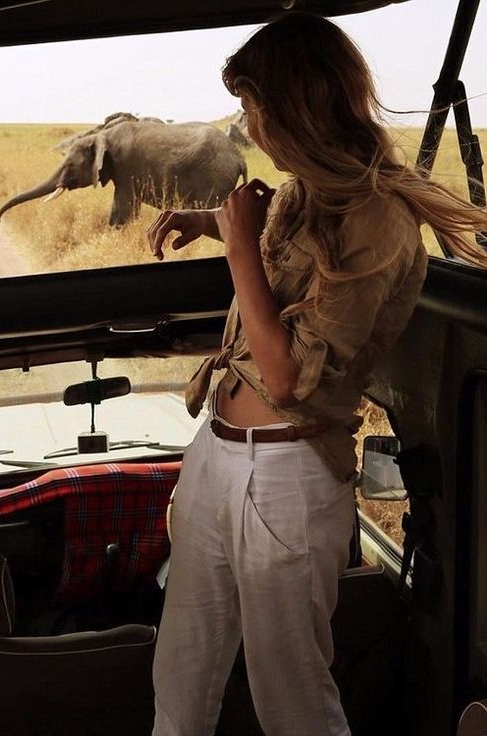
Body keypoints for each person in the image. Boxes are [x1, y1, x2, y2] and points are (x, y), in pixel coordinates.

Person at [147, 12, 487, 736]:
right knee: (179, 678)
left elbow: (289, 374)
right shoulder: (307, 189)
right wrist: (214, 221)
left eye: (252, 108)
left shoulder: (381, 223)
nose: (249, 126)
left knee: (292, 701)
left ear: (294, 110)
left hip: (286, 476)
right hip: (218, 455)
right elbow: (276, 246)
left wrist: (237, 252)